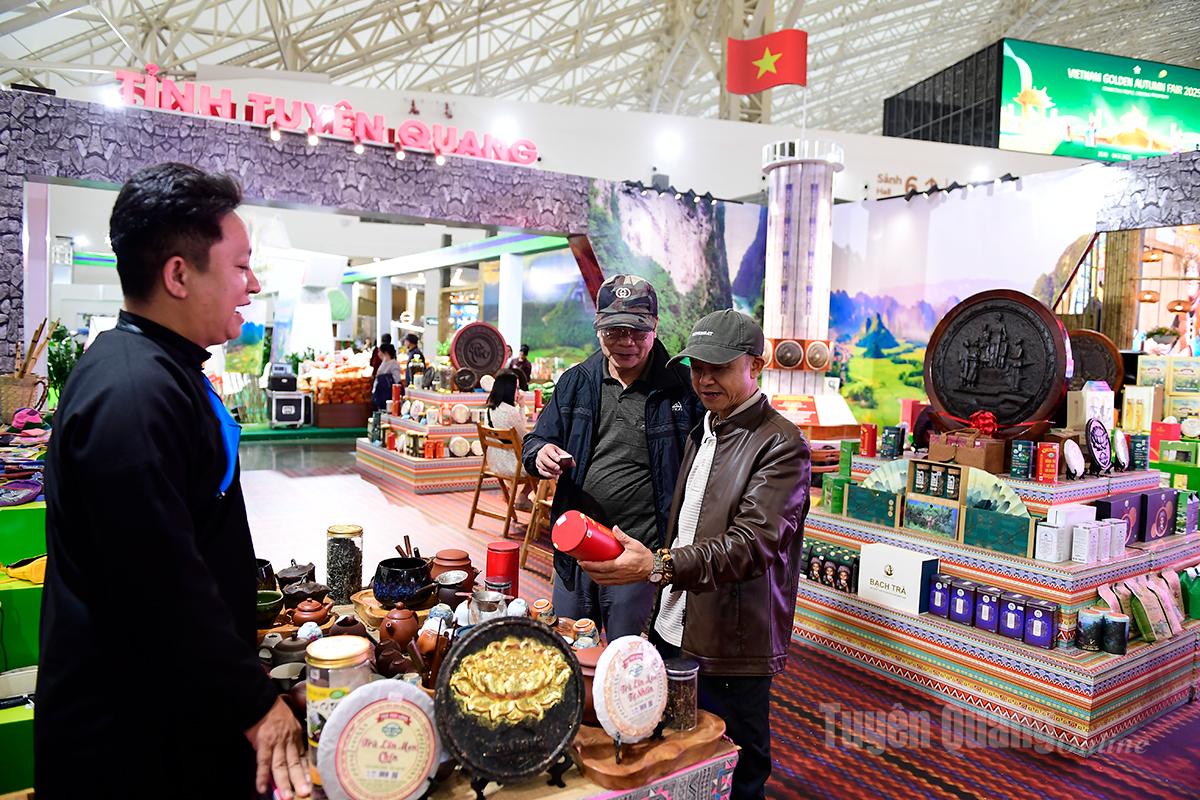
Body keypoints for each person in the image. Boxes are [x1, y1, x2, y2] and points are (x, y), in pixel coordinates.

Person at [37, 163, 310, 799]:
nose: (253, 283)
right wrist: (254, 702)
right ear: (179, 275)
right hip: (129, 744)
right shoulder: (132, 393)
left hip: (176, 705)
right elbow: (156, 581)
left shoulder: (161, 369)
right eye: (241, 266)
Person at [578, 309, 811, 800]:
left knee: (737, 763)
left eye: (719, 367)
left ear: (756, 365)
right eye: (697, 367)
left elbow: (752, 546)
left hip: (733, 640)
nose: (704, 379)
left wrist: (660, 566)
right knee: (682, 755)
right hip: (677, 624)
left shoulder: (781, 444)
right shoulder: (705, 427)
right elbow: (688, 527)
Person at [522, 274, 702, 639]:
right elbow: (537, 439)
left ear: (654, 327)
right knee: (566, 646)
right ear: (598, 328)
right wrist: (540, 453)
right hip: (575, 547)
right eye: (615, 331)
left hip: (636, 553)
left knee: (628, 658)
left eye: (637, 331)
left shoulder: (681, 388)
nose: (627, 343)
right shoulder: (577, 381)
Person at [482, 369, 537, 510]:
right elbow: (525, 437)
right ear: (509, 389)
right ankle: (523, 498)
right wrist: (523, 406)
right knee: (544, 466)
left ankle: (521, 498)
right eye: (517, 387)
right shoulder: (510, 411)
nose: (519, 391)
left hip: (494, 463)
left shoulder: (489, 409)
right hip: (511, 466)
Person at [371, 343, 403, 410]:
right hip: (381, 394)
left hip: (387, 395)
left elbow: (397, 380)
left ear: (385, 352)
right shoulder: (384, 362)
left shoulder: (394, 364)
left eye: (379, 351)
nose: (378, 353)